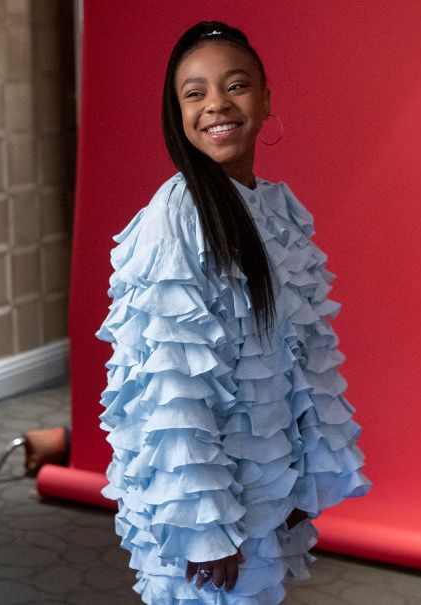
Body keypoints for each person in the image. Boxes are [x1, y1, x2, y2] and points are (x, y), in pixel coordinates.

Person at [96, 21, 371, 605]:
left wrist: (306, 476)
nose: (217, 104)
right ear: (177, 112)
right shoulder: (178, 218)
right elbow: (169, 387)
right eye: (195, 93)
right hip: (209, 500)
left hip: (265, 479)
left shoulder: (274, 209)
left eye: (235, 85)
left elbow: (303, 359)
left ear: (266, 98)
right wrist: (203, 524)